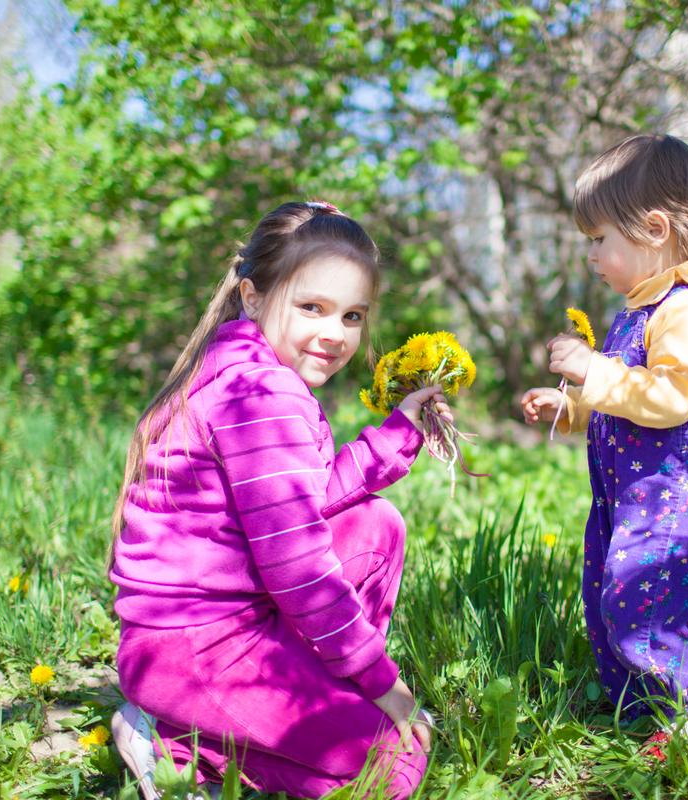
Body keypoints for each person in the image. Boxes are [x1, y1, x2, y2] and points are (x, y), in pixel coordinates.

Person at [109, 201, 441, 799]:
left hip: (226, 623)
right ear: (253, 296)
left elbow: (298, 504)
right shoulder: (261, 393)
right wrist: (381, 683)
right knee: (394, 762)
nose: (335, 333)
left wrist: (397, 435)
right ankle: (174, 743)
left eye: (353, 315)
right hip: (196, 648)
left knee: (376, 526)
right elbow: (299, 569)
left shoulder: (243, 367)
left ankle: (294, 708)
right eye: (312, 307)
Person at [520, 135, 688, 758]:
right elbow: (628, 398)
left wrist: (593, 370)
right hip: (635, 500)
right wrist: (572, 408)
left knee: (659, 600)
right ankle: (647, 705)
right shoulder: (638, 310)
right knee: (616, 590)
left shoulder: (685, 313)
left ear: (654, 229)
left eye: (599, 238)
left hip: (682, 505)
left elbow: (671, 399)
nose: (591, 254)